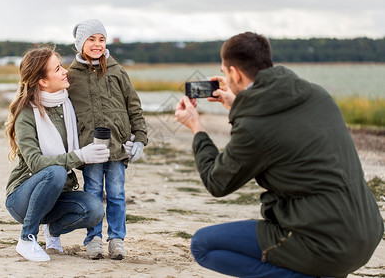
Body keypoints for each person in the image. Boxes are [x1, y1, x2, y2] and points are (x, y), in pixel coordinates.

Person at [174, 32, 383, 277]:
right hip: (366, 231)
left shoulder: (254, 127)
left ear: (235, 73)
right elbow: (281, 130)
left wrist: (195, 127)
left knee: (203, 246)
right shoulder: (317, 95)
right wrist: (239, 103)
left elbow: (216, 181)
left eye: (224, 71)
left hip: (324, 243)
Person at [4, 47, 110, 262]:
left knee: (94, 209)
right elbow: (35, 163)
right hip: (21, 200)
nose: (65, 72)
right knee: (55, 172)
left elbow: (78, 151)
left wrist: (118, 147)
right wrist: (80, 156)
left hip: (58, 195)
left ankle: (53, 231)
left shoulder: (67, 104)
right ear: (43, 81)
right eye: (58, 68)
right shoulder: (26, 113)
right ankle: (27, 238)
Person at [67, 19, 148, 260]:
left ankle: (116, 239)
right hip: (91, 149)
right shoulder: (71, 76)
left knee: (116, 194)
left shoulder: (117, 71)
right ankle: (93, 238)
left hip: (118, 146)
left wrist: (140, 137)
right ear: (81, 43)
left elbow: (134, 106)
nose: (97, 44)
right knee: (91, 191)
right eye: (91, 39)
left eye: (101, 39)